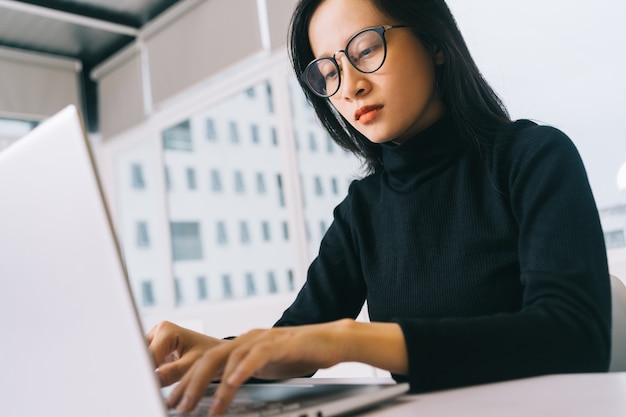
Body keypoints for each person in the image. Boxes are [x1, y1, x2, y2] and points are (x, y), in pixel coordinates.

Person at [148, 0, 612, 414]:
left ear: (434, 42)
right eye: (328, 72)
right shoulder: (362, 211)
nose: (348, 87)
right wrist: (208, 354)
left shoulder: (532, 157)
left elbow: (573, 337)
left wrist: (350, 340)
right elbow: (295, 342)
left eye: (365, 50)